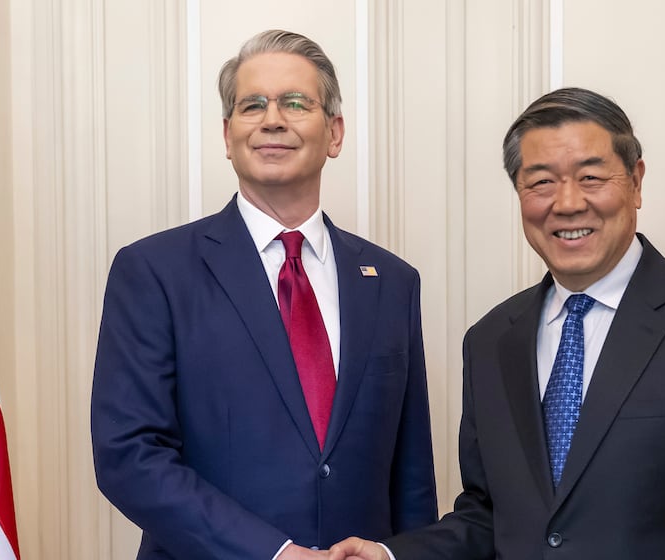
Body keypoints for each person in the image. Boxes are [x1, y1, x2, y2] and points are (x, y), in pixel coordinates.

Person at [330, 87, 665, 559]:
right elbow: (490, 516)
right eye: (540, 182)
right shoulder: (491, 340)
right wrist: (390, 556)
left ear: (636, 182)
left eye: (592, 177)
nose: (567, 203)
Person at [91, 29, 437, 560]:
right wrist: (271, 552)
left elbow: (411, 474)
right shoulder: (154, 271)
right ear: (228, 136)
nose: (273, 119)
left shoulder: (392, 281)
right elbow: (129, 456)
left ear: (335, 133)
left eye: (296, 103)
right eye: (252, 105)